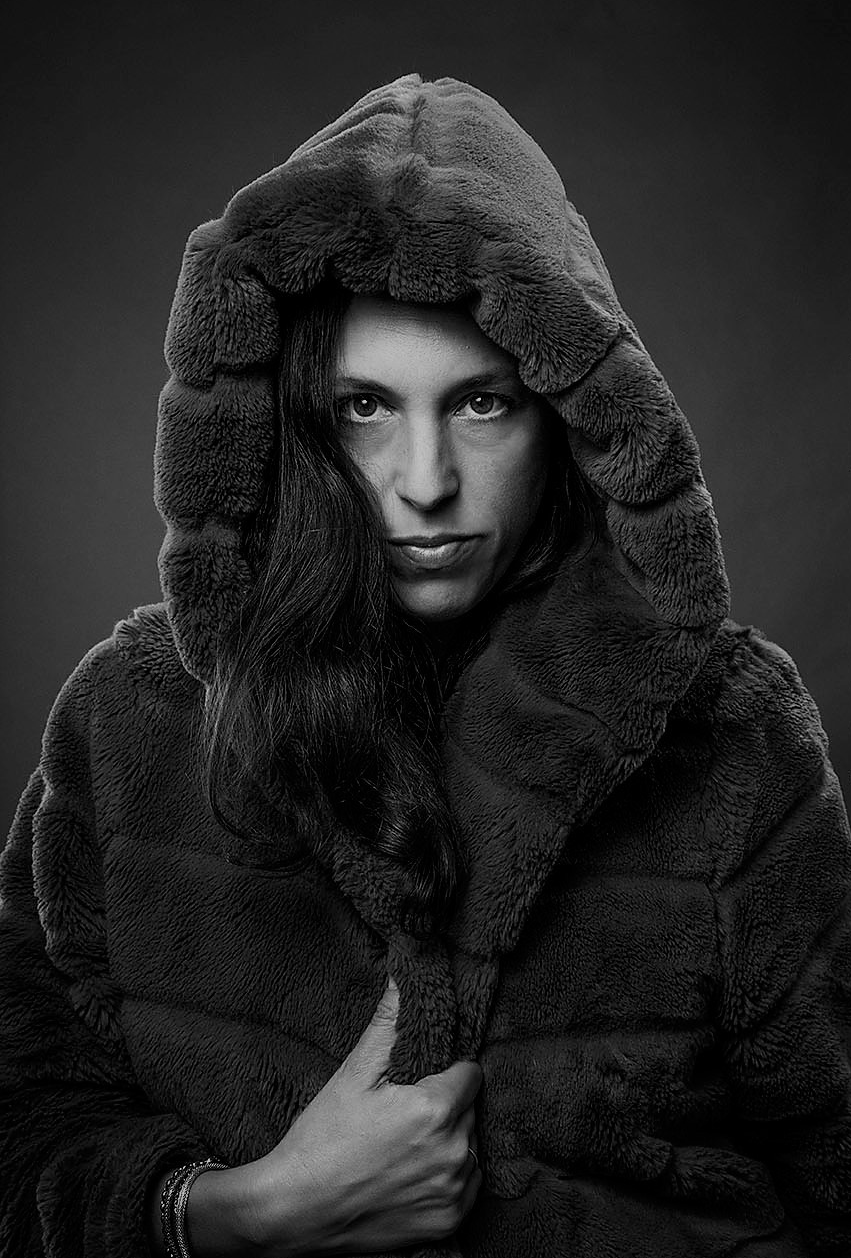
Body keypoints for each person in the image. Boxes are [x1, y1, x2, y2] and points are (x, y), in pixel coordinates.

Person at [1, 71, 849, 1258]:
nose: (424, 480)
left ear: (565, 410)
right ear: (289, 417)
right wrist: (236, 1214)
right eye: (362, 405)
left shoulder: (733, 737)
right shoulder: (129, 720)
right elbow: (20, 1127)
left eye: (480, 403)